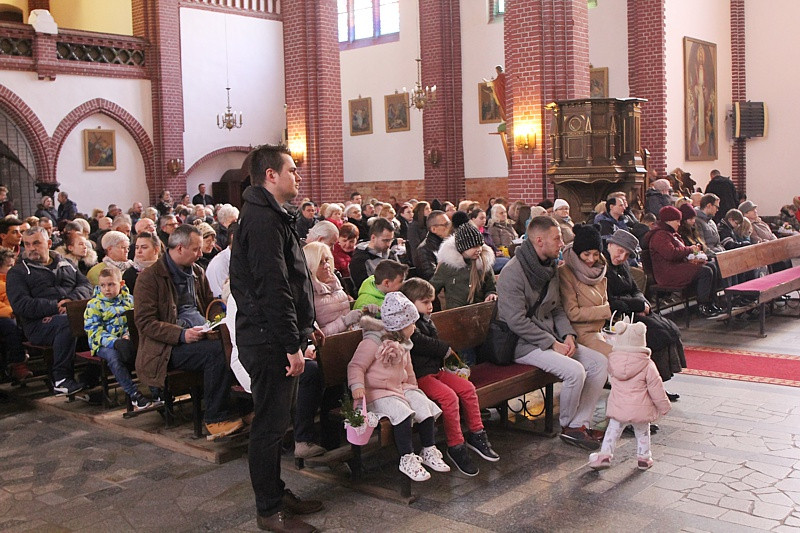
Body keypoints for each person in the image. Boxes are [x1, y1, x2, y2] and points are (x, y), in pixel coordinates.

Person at [229, 144, 322, 532]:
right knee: (268, 429)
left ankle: (275, 492)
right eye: (293, 170)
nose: (297, 176)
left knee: (277, 423)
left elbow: (294, 281)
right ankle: (268, 511)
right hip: (268, 343)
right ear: (271, 175)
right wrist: (290, 344)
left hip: (277, 337)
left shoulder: (270, 215)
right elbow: (273, 289)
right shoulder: (263, 220)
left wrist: (304, 326)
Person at [496, 216, 608, 450]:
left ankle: (580, 424)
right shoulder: (512, 273)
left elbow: (556, 308)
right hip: (521, 344)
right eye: (557, 238)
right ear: (539, 240)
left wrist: (568, 335)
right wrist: (551, 343)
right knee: (575, 371)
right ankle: (568, 426)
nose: (562, 243)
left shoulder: (549, 268)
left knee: (599, 363)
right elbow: (516, 320)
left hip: (549, 339)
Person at [134, 224, 243, 437]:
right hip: (164, 349)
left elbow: (207, 305)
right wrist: (181, 334)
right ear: (180, 248)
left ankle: (238, 407)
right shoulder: (150, 278)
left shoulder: (196, 272)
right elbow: (145, 323)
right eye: (196, 249)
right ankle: (215, 418)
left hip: (197, 334)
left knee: (236, 343)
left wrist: (219, 321)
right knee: (217, 353)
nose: (200, 254)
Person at [400, 278, 499, 477]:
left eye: (431, 302)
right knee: (449, 397)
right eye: (425, 302)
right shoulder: (406, 323)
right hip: (420, 377)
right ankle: (455, 445)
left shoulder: (426, 319)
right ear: (410, 302)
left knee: (467, 388)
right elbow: (418, 342)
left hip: (437, 370)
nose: (430, 307)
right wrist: (444, 349)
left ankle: (477, 434)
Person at [348, 292, 450, 482]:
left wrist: (413, 388)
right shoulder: (373, 341)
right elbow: (356, 365)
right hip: (376, 393)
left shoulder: (404, 342)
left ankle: (428, 448)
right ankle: (407, 457)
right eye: (412, 324)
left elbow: (408, 369)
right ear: (401, 325)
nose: (414, 327)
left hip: (398, 388)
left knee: (423, 404)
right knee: (401, 412)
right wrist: (357, 386)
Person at [7, 227, 92, 395]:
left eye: (37, 243)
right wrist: (55, 306)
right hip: (38, 325)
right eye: (27, 244)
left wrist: (71, 301)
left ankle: (91, 375)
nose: (31, 248)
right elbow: (21, 304)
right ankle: (61, 378)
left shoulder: (66, 263)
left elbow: (86, 285)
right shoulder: (18, 272)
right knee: (67, 323)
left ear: (49, 243)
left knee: (106, 319)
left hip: (72, 313)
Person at [604, 230, 685, 396]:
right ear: (610, 245)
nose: (622, 258)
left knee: (670, 328)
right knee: (657, 334)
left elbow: (635, 288)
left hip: (635, 310)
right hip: (620, 317)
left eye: (627, 255)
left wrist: (644, 303)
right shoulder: (603, 267)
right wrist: (638, 305)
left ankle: (657, 384)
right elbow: (610, 300)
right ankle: (651, 386)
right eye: (620, 251)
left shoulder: (622, 265)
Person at [588, 319, 671, 471]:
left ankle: (605, 454)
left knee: (613, 431)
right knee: (642, 432)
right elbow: (656, 387)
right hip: (640, 408)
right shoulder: (647, 364)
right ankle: (644, 458)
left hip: (619, 407)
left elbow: (611, 381)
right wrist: (664, 406)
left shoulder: (613, 361)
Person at [84, 267, 157, 410]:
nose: (106, 289)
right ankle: (134, 394)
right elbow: (94, 331)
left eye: (111, 284)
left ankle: (156, 390)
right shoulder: (94, 305)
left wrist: (128, 335)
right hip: (103, 344)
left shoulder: (129, 300)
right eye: (102, 285)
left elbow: (135, 322)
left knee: (145, 351)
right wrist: (115, 342)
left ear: (121, 284)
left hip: (126, 340)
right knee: (114, 357)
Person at [643, 206, 720, 318]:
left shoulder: (669, 234)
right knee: (705, 271)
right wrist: (690, 249)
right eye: (677, 221)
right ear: (668, 221)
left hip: (676, 267)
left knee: (712, 266)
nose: (679, 224)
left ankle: (711, 302)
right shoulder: (660, 235)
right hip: (667, 273)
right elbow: (671, 253)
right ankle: (703, 305)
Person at [557, 224, 612, 356]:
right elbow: (572, 313)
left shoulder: (599, 271)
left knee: (635, 350)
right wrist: (607, 310)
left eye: (596, 254)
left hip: (601, 330)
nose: (591, 259)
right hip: (581, 333)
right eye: (586, 254)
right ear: (577, 252)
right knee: (619, 358)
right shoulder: (566, 273)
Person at [430, 223, 497, 310]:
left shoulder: (483, 263)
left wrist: (491, 294)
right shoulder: (448, 267)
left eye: (480, 245)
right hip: (456, 314)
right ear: (463, 248)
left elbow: (491, 287)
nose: (479, 250)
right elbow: (432, 289)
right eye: (474, 247)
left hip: (480, 311)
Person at [0, 248, 32, 382]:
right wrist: (11, 311)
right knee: (10, 326)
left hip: (18, 313)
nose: (13, 269)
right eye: (9, 266)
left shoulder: (17, 280)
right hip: (6, 317)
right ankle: (17, 363)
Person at [350, 217, 400, 290]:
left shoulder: (390, 254)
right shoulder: (360, 259)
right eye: (385, 240)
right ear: (373, 238)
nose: (388, 244)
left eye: (390, 240)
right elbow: (366, 287)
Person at [413, 210, 451, 281]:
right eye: (446, 225)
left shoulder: (448, 243)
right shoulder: (424, 250)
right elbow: (432, 278)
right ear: (433, 229)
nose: (450, 228)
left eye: (449, 224)